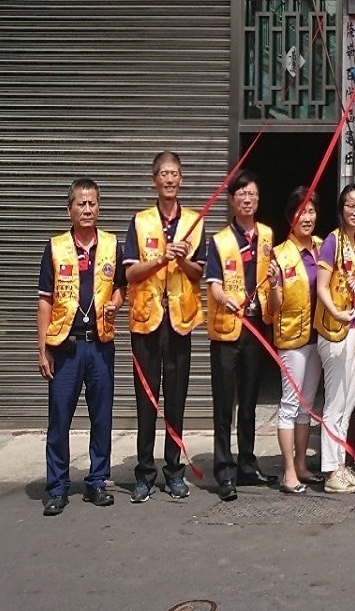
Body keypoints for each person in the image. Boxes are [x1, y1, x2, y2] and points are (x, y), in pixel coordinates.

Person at [38, 178, 125, 516]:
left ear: (99, 207)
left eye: (92, 203)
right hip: (65, 346)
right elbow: (45, 301)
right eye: (81, 204)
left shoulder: (111, 245)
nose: (87, 209)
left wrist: (116, 303)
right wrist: (41, 348)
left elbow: (120, 288)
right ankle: (57, 487)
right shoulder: (56, 247)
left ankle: (97, 481)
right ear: (69, 209)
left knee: (101, 417)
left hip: (100, 345)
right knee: (59, 418)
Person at [124, 151, 205, 503]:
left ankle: (174, 472)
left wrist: (182, 259)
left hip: (180, 324)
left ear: (181, 179)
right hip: (146, 323)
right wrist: (160, 258)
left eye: (175, 174)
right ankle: (144, 473)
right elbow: (129, 273)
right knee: (146, 402)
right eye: (163, 174)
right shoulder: (140, 222)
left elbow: (200, 272)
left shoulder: (195, 222)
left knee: (176, 401)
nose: (170, 180)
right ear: (154, 180)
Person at [205, 170, 277, 502]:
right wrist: (224, 298)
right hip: (226, 331)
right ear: (232, 200)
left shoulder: (266, 236)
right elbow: (214, 285)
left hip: (254, 327)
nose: (247, 199)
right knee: (225, 405)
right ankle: (224, 469)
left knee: (249, 401)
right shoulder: (219, 241)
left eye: (252, 195)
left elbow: (270, 277)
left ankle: (247, 464)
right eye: (241, 195)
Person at [264, 187, 324, 495]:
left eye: (312, 211)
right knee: (289, 404)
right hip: (292, 338)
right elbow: (271, 308)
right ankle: (288, 472)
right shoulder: (280, 254)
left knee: (307, 405)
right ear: (291, 216)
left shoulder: (323, 246)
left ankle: (302, 464)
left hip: (319, 337)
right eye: (301, 212)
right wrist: (274, 284)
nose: (308, 217)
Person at [315, 184, 355, 494]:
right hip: (335, 330)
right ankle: (330, 470)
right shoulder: (332, 242)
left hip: (354, 328)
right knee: (335, 401)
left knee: (349, 401)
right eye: (350, 206)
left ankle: (340, 465)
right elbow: (321, 287)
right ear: (341, 208)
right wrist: (336, 311)